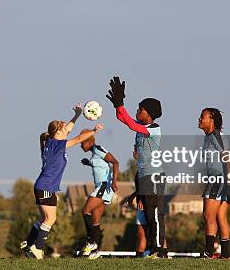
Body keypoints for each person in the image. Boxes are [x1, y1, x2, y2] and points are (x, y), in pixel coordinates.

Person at [22, 104, 104, 259]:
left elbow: (69, 129)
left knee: (44, 219)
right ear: (57, 132)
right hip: (45, 186)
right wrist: (93, 131)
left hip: (45, 186)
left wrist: (77, 114)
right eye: (63, 128)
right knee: (51, 218)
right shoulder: (58, 144)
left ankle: (29, 243)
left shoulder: (51, 143)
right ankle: (37, 248)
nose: (67, 129)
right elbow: (78, 138)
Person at [106, 76, 166, 258]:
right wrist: (118, 103)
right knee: (147, 215)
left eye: (140, 109)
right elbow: (121, 118)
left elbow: (131, 125)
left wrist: (121, 106)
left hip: (155, 176)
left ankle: (159, 250)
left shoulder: (155, 129)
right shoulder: (141, 124)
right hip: (144, 177)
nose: (137, 111)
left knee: (154, 214)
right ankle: (155, 250)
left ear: (148, 114)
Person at [198, 108, 230, 259]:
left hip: (219, 179)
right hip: (218, 179)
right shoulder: (207, 137)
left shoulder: (216, 136)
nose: (199, 119)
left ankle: (208, 252)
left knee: (208, 215)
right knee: (220, 217)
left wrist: (229, 185)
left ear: (211, 120)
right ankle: (225, 255)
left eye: (202, 117)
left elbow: (227, 160)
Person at [79, 131, 119, 259]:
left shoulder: (98, 149)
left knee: (85, 211)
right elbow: (100, 165)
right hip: (101, 187)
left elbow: (115, 162)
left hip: (104, 186)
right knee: (95, 219)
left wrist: (115, 181)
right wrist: (88, 163)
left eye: (82, 142)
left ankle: (91, 242)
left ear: (90, 142)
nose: (80, 145)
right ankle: (94, 251)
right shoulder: (94, 154)